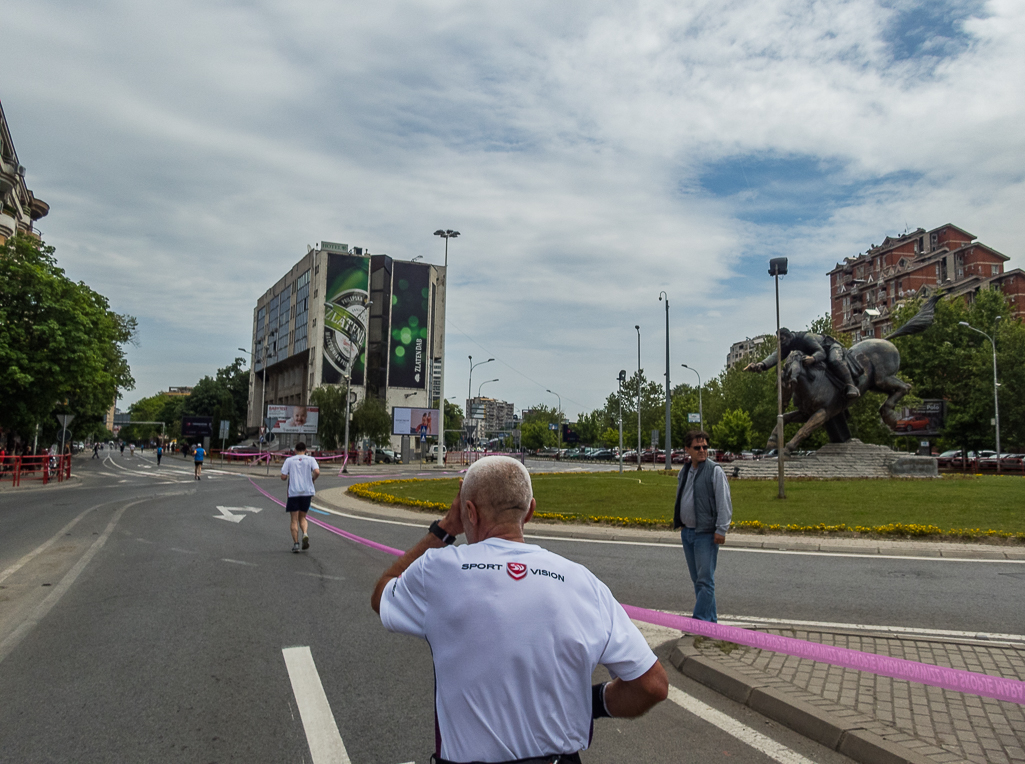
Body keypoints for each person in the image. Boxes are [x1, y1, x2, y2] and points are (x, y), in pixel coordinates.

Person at [371, 456, 668, 763]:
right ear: (530, 512)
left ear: (469, 512)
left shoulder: (438, 571)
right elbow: (652, 685)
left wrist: (446, 527)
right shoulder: (583, 581)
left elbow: (383, 594)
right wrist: (593, 701)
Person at [673, 430, 733, 623]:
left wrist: (721, 529)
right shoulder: (685, 471)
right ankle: (711, 623)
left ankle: (698, 623)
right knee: (698, 581)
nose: (702, 450)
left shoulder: (714, 471)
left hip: (706, 534)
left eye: (705, 447)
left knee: (705, 581)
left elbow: (724, 502)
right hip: (688, 532)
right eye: (697, 447)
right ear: (687, 449)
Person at [745, 327, 860, 399]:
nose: (781, 342)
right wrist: (760, 365)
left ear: (789, 337)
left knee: (834, 360)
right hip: (815, 357)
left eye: (782, 339)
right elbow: (775, 356)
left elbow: (821, 353)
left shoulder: (806, 338)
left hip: (829, 348)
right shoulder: (787, 344)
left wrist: (813, 359)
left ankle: (851, 386)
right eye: (779, 340)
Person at [280, 442, 320, 553]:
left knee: (294, 520)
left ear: (295, 450)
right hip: (307, 492)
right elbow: (317, 471)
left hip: (293, 493)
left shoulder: (289, 460)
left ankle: (296, 544)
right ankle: (305, 533)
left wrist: (287, 476)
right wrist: (313, 479)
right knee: (303, 517)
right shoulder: (311, 459)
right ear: (306, 450)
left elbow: (283, 476)